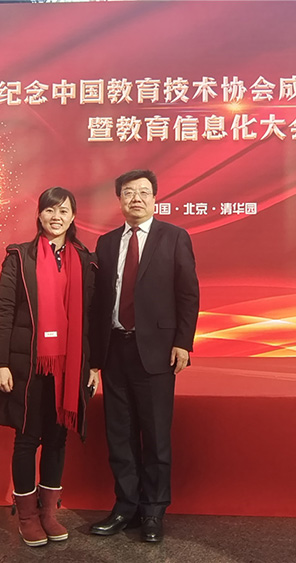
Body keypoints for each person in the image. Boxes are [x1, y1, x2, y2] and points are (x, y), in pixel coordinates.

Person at [89, 169, 200, 543]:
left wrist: (183, 342)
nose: (135, 198)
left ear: (155, 198)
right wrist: (94, 358)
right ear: (119, 200)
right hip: (115, 349)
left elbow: (188, 293)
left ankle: (153, 511)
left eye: (143, 192)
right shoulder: (106, 243)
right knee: (119, 435)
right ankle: (126, 507)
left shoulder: (174, 237)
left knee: (155, 436)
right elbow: (99, 303)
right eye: (128, 192)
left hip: (156, 351)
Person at [0, 187, 99, 548]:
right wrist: (1, 362)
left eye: (64, 211)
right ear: (39, 215)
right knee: (26, 439)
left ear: (73, 217)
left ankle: (49, 513)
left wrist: (93, 366)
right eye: (50, 210)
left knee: (57, 438)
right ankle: (27, 516)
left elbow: (92, 317)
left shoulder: (86, 260)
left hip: (70, 365)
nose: (56, 217)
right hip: (28, 363)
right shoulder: (19, 257)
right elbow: (5, 310)